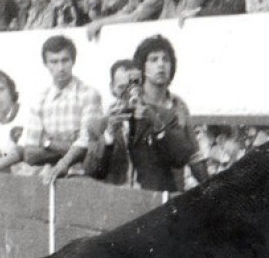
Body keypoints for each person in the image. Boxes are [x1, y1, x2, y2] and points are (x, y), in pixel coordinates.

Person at [85, 36, 208, 193]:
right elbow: (96, 165)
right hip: (123, 194)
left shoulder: (178, 105)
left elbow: (192, 155)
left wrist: (211, 190)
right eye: (153, 60)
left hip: (165, 193)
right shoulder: (126, 104)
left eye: (166, 59)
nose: (161, 65)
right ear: (142, 67)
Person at [20, 34, 104, 186]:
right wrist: (70, 146)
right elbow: (30, 154)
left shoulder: (89, 94)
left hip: (81, 176)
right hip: (46, 176)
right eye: (54, 61)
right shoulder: (39, 99)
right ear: (46, 64)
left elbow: (87, 145)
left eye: (65, 60)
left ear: (73, 61)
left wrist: (47, 143)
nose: (60, 68)